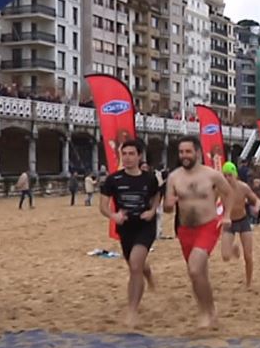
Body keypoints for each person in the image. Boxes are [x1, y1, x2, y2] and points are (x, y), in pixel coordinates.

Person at [162, 136, 234, 328]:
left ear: (198, 153)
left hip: (208, 225)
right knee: (196, 273)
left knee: (195, 268)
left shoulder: (212, 175)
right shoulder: (174, 177)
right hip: (185, 229)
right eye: (181, 152)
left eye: (188, 151)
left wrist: (226, 215)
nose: (184, 156)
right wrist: (168, 205)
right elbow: (168, 206)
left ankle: (208, 312)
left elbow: (228, 193)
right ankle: (208, 310)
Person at [99, 139, 160, 328]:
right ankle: (148, 274)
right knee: (136, 265)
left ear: (139, 156)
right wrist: (113, 215)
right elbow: (102, 205)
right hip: (125, 228)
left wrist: (152, 211)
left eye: (131, 154)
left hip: (145, 226)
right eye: (124, 154)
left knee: (134, 266)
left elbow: (157, 195)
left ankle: (132, 311)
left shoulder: (149, 178)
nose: (127, 158)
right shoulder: (113, 180)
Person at [219, 162, 260, 288]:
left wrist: (257, 208)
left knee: (248, 255)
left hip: (243, 220)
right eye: (225, 175)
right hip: (229, 222)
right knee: (225, 256)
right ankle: (234, 249)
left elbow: (256, 199)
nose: (227, 178)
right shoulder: (220, 189)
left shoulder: (243, 187)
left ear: (235, 175)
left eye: (230, 175)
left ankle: (248, 282)